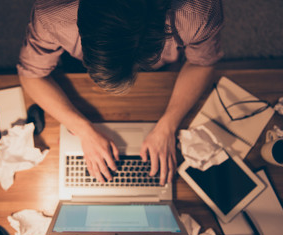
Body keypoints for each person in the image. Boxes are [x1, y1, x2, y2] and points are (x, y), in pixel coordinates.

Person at [17, 0, 224, 185]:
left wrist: (168, 125)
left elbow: (202, 62)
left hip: (164, 74)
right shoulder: (53, 14)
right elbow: (31, 74)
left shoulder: (197, 11)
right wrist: (82, 129)